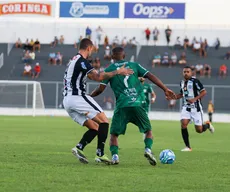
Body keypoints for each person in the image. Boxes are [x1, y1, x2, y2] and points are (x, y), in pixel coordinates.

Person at [90, 46, 176, 166]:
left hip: (121, 106)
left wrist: (89, 96)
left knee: (114, 134)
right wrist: (165, 89)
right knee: (148, 131)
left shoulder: (109, 70)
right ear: (124, 55)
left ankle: (115, 157)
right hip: (137, 104)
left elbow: (100, 89)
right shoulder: (134, 65)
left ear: (112, 56)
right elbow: (150, 76)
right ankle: (148, 150)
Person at [63, 39, 133, 165]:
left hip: (67, 101)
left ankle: (79, 147)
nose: (92, 52)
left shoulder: (73, 60)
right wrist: (118, 72)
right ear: (89, 48)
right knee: (104, 121)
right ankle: (100, 154)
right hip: (77, 97)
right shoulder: (81, 61)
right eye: (92, 49)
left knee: (95, 128)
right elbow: (97, 77)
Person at [172, 66, 215, 152]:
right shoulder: (182, 83)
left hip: (196, 109)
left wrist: (194, 99)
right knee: (183, 124)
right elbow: (182, 94)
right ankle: (188, 147)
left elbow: (204, 92)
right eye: (184, 72)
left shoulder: (195, 81)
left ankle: (207, 125)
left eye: (188, 72)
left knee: (199, 130)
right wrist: (173, 97)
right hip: (186, 107)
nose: (186, 73)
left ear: (191, 73)